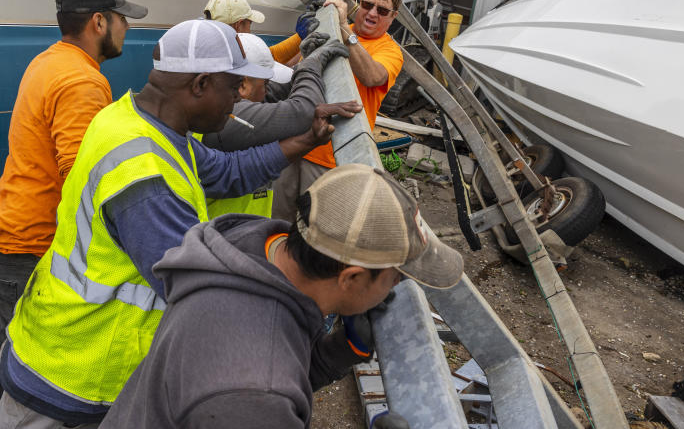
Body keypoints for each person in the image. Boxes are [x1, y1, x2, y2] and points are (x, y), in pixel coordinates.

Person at [0, 19, 361, 428]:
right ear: (200, 84)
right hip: (75, 374)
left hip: (68, 350)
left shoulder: (135, 121)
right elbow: (198, 287)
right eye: (233, 86)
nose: (238, 99)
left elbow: (225, 171)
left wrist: (306, 138)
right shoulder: (143, 180)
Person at [99, 163, 464, 429]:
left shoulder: (251, 250)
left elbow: (277, 362)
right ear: (351, 277)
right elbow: (262, 383)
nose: (396, 289)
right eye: (396, 278)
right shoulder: (254, 394)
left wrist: (339, 350)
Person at [0, 0, 147, 429]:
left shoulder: (50, 61)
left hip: (1, 228)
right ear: (99, 22)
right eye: (122, 18)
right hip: (25, 243)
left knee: (9, 341)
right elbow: (82, 178)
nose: (128, 28)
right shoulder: (82, 82)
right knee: (23, 357)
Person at [270, 0, 405, 221]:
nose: (372, 13)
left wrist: (344, 30)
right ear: (359, 5)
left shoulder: (389, 50)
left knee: (318, 235)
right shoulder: (329, 26)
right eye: (367, 5)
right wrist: (304, 32)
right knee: (277, 223)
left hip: (331, 160)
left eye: (382, 10)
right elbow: (275, 57)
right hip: (291, 145)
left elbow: (372, 76)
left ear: (393, 16)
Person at [201, 30, 351, 218]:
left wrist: (301, 66)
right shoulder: (229, 118)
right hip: (225, 237)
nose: (267, 91)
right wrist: (310, 66)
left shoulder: (216, 105)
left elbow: (273, 95)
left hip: (239, 231)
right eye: (265, 83)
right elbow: (303, 112)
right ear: (242, 86)